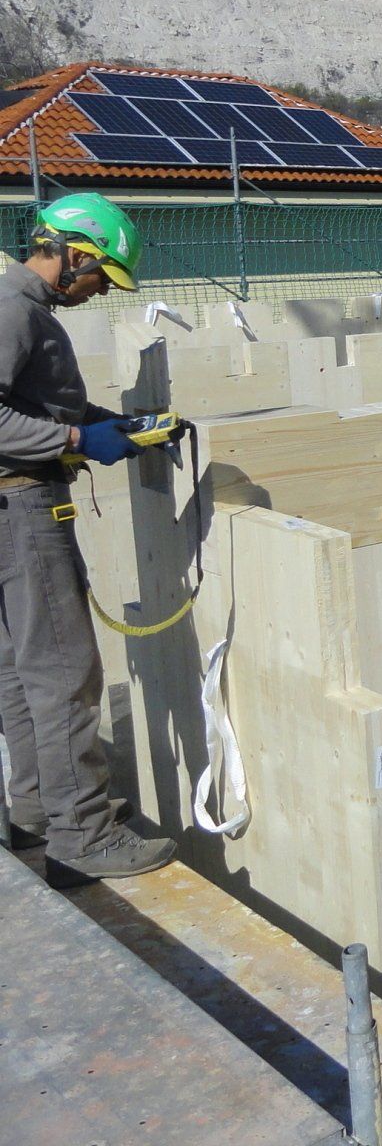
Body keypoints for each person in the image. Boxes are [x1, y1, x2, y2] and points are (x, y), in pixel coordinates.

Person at [0, 193, 175, 883]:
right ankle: (86, 838)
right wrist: (78, 439)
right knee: (66, 674)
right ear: (71, 253)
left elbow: (36, 405)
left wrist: (118, 425)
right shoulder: (15, 310)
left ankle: (36, 810)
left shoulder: (22, 310)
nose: (100, 289)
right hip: (22, 512)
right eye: (100, 273)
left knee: (18, 670)